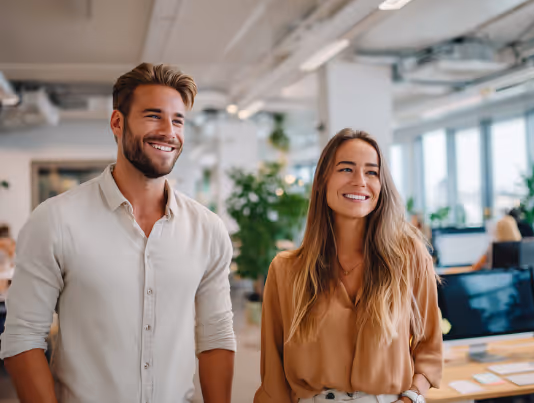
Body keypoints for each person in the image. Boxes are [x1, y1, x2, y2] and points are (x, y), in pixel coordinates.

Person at [0, 63, 236, 403]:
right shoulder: (55, 220)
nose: (169, 131)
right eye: (154, 116)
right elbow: (23, 337)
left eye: (178, 120)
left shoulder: (208, 230)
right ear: (117, 123)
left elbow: (215, 336)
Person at [254, 129, 442, 403]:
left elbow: (429, 349)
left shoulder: (409, 257)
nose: (360, 182)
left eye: (371, 172)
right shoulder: (285, 271)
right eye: (346, 169)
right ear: (322, 181)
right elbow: (273, 375)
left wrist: (411, 397)